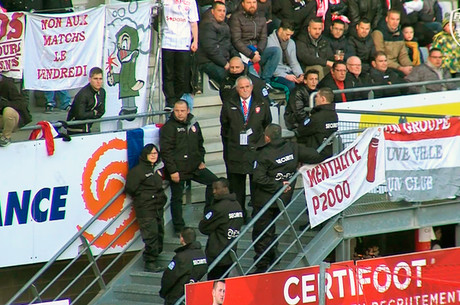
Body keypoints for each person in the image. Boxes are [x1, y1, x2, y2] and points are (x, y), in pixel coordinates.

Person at [160, 100, 218, 234]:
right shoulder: (168, 127)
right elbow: (166, 152)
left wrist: (201, 159)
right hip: (178, 170)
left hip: (194, 166)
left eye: (182, 111)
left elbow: (200, 143)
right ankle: (179, 228)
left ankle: (208, 215)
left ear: (188, 111)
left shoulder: (194, 124)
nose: (179, 114)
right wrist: (173, 171)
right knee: (177, 198)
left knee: (214, 182)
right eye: (177, 111)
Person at [220, 76, 272, 222]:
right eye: (241, 87)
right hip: (236, 152)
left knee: (257, 187)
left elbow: (267, 124)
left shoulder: (261, 103)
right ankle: (239, 216)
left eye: (247, 87)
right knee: (237, 188)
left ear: (251, 87)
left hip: (256, 151)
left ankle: (258, 216)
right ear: (237, 89)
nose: (245, 90)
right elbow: (225, 128)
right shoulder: (229, 104)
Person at [251, 123, 299, 273]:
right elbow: (312, 155)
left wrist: (278, 185)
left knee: (261, 233)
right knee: (268, 229)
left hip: (265, 201)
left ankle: (262, 265)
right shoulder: (292, 147)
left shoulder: (264, 154)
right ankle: (273, 253)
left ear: (267, 137)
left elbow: (258, 178)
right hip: (282, 199)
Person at [125, 144, 167, 273]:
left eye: (155, 153)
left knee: (160, 233)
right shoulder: (138, 171)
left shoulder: (157, 170)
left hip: (158, 208)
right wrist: (144, 197)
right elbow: (130, 188)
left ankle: (155, 258)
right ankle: (150, 262)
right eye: (151, 154)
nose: (154, 156)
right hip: (145, 209)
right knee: (151, 235)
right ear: (145, 155)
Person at [199, 178, 244, 280]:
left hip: (217, 254)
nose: (214, 191)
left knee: (214, 285)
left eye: (216, 188)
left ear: (225, 188)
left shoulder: (218, 208)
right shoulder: (237, 205)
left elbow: (203, 227)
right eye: (213, 189)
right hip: (231, 251)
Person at [160, 0, 199, 110]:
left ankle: (178, 99)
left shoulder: (190, 1)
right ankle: (170, 101)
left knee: (181, 75)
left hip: (183, 42)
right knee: (168, 74)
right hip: (167, 40)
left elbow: (194, 22)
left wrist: (195, 40)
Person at [229, 0, 279, 83]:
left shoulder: (261, 18)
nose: (252, 5)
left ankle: (266, 80)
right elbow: (236, 41)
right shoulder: (236, 17)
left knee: (276, 51)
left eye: (254, 2)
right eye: (249, 2)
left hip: (257, 52)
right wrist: (251, 55)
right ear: (243, 4)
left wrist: (258, 52)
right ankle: (259, 83)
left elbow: (263, 38)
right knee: (255, 80)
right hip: (243, 54)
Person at [159, 227, 208, 305]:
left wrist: (164, 293)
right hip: (193, 293)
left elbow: (168, 277)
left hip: (177, 295)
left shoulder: (181, 257)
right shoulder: (201, 254)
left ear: (182, 239)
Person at [197, 1, 239, 85]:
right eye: (219, 11)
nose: (222, 13)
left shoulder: (225, 25)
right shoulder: (207, 25)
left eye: (224, 11)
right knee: (229, 80)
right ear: (213, 11)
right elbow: (211, 50)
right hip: (208, 61)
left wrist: (236, 58)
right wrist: (225, 63)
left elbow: (229, 45)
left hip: (223, 60)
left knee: (243, 70)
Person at [296, 87, 338, 158]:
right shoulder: (334, 114)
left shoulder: (317, 117)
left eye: (317, 96)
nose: (315, 99)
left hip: (317, 153)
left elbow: (301, 130)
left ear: (323, 99)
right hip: (330, 151)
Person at [371, 9, 413, 76]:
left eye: (397, 19)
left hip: (397, 66)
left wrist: (410, 67)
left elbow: (403, 55)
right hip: (385, 66)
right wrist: (400, 68)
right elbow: (380, 57)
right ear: (387, 19)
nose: (395, 22)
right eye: (392, 19)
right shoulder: (378, 33)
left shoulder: (400, 34)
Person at [266, 20, 304, 93]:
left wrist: (300, 75)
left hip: (289, 71)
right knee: (290, 85)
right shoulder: (269, 42)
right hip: (276, 75)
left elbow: (294, 62)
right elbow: (270, 67)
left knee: (304, 83)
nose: (289, 37)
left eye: (291, 35)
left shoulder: (291, 43)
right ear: (280, 30)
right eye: (287, 34)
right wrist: (285, 76)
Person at [66, 67, 105, 135]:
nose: (98, 82)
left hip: (88, 127)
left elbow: (102, 111)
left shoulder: (102, 92)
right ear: (90, 79)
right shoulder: (83, 94)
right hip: (75, 128)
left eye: (100, 79)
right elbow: (80, 115)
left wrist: (92, 114)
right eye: (95, 79)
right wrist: (94, 113)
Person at [0, 75, 32, 147]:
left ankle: (6, 137)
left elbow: (21, 104)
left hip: (11, 118)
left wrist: (3, 104)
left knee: (9, 112)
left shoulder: (7, 84)